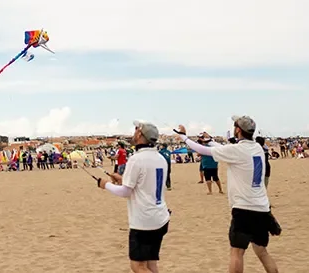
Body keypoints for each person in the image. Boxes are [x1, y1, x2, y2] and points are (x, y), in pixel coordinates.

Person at [175, 116, 280, 273]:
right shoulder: (257, 147)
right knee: (262, 252)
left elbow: (203, 150)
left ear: (238, 130)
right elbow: (224, 149)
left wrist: (184, 137)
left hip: (244, 209)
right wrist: (209, 139)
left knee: (237, 253)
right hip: (262, 208)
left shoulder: (237, 150)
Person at [97, 121, 169, 273]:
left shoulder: (136, 159)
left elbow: (125, 192)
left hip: (144, 222)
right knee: (151, 264)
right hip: (160, 217)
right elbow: (144, 185)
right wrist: (122, 180)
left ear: (140, 135)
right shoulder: (160, 158)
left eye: (136, 129)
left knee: (137, 266)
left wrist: (105, 185)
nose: (134, 132)